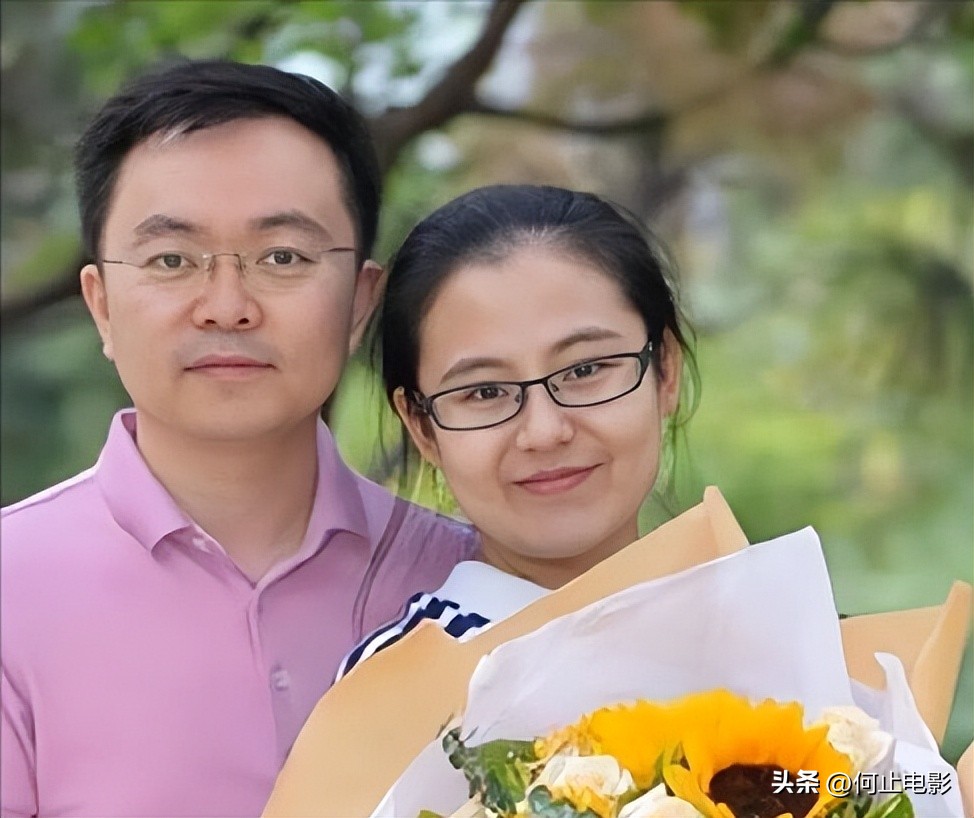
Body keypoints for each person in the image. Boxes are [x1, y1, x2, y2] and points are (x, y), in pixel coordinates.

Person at [0, 60, 478, 818]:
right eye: (171, 260)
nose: (226, 306)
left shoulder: (467, 584)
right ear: (102, 305)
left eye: (282, 257)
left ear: (360, 303)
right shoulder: (10, 590)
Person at [337, 183, 697, 678]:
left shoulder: (772, 622)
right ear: (421, 427)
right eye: (485, 392)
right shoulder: (400, 690)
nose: (545, 431)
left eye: (585, 369)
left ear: (666, 371)